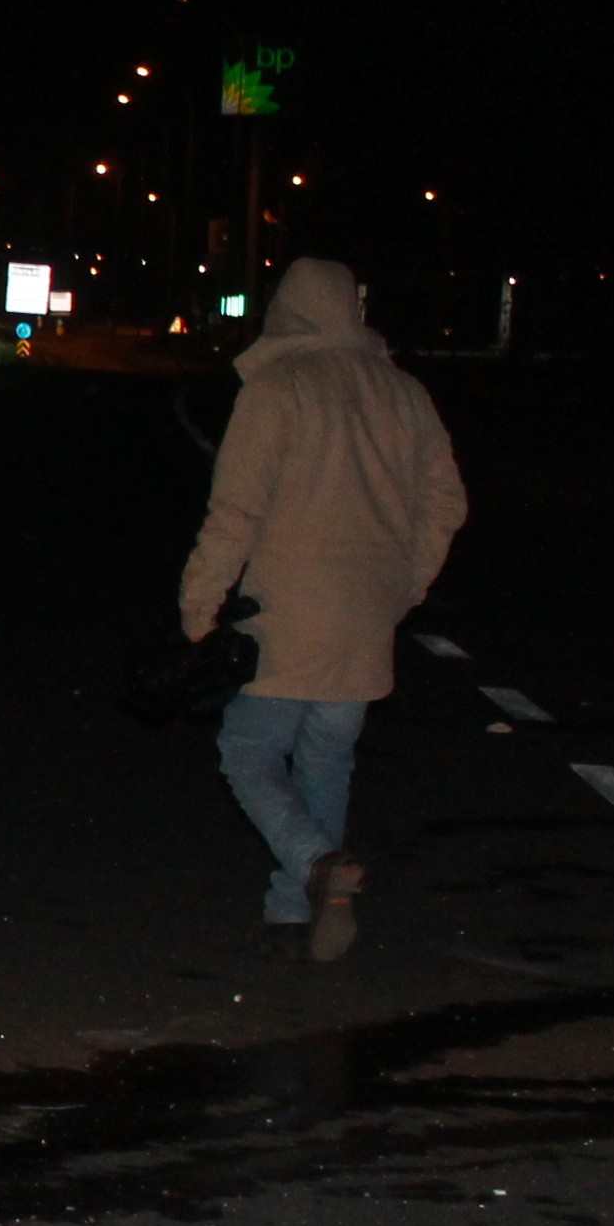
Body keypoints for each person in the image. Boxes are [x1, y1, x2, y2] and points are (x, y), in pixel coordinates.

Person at [177, 256, 467, 961]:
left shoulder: (277, 389)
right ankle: (292, 907)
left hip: (284, 616)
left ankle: (313, 865)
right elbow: (445, 504)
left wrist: (199, 605)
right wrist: (403, 588)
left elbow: (235, 514)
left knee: (246, 753)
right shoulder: (405, 394)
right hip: (366, 619)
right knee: (327, 760)